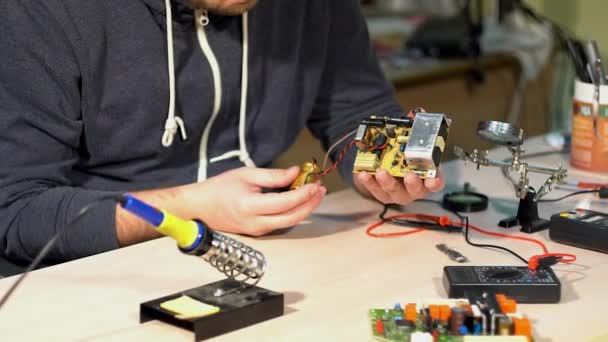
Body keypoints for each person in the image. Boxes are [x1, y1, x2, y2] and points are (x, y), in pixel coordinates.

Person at [0, 0, 444, 263]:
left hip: (261, 257)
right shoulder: (40, 13)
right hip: (88, 272)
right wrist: (190, 208)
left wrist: (380, 168)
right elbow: (15, 211)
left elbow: (356, 107)